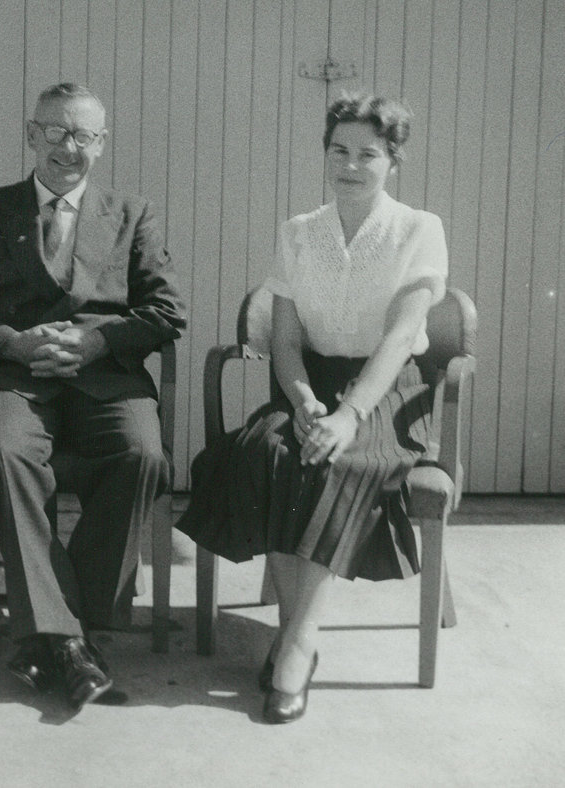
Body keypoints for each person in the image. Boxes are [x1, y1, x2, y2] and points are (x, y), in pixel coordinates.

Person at [176, 92, 448, 724]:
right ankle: (293, 630)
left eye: (369, 154)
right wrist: (300, 396)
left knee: (343, 462)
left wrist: (349, 414)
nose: (351, 165)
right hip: (308, 380)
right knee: (268, 452)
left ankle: (297, 641)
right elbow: (287, 336)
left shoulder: (418, 228)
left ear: (393, 161)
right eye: (339, 150)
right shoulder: (300, 231)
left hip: (387, 388)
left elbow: (402, 337)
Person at [0, 83, 185, 708]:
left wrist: (98, 344)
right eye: (57, 133)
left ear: (102, 142)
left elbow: (168, 310)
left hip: (104, 376)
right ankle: (71, 642)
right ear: (31, 134)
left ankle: (57, 634)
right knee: (8, 453)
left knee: (141, 456)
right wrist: (11, 343)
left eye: (84, 136)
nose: (70, 148)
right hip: (12, 378)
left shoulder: (131, 213)